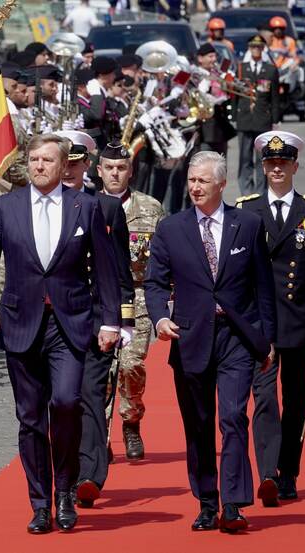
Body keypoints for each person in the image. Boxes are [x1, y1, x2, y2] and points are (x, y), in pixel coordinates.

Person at [0, 134, 120, 534]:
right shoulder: (5, 207)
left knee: (68, 402)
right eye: (33, 159)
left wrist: (111, 322)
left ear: (62, 165)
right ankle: (40, 503)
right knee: (30, 417)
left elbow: (106, 269)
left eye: (47, 160)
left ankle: (66, 490)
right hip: (21, 324)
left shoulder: (85, 207)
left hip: (70, 323)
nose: (39, 166)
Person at [144, 151, 276, 533]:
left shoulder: (247, 225)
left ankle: (233, 503)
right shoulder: (171, 229)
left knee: (233, 417)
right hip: (190, 338)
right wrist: (160, 317)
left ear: (221, 184)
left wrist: (266, 340)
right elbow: (155, 283)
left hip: (236, 336)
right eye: (191, 181)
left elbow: (263, 287)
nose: (195, 187)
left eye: (203, 181)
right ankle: (206, 501)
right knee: (198, 425)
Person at [237, 131, 305, 504]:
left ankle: (288, 471)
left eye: (283, 163)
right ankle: (267, 473)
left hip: (298, 320)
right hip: (261, 322)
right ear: (263, 167)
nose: (276, 168)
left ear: (295, 166)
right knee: (264, 399)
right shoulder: (247, 210)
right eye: (270, 163)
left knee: (295, 400)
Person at [56, 134, 135, 508]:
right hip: (53, 322)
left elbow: (119, 270)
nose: (69, 171)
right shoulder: (40, 208)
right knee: (59, 400)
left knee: (89, 395)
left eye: (75, 164)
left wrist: (124, 321)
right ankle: (62, 474)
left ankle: (88, 474)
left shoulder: (105, 208)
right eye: (64, 164)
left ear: (86, 166)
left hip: (94, 319)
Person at [98, 142, 165, 461]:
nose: (115, 173)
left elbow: (165, 257)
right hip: (97, 299)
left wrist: (168, 296)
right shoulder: (85, 206)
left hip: (137, 298)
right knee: (101, 372)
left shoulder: (150, 207)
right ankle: (100, 432)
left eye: (121, 168)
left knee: (130, 365)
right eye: (109, 168)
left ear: (131, 171)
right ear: (98, 171)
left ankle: (131, 420)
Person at [235, 35, 279, 196]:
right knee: (245, 158)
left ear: (263, 49)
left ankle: (260, 193)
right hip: (245, 119)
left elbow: (275, 98)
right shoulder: (241, 68)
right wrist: (233, 117)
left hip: (263, 120)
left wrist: (275, 120)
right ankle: (246, 192)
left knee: (262, 160)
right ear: (249, 48)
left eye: (259, 47)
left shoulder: (270, 70)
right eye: (253, 47)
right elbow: (235, 97)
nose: (256, 49)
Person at [196, 43, 236, 156]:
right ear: (200, 58)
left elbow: (230, 94)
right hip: (204, 129)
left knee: (221, 165)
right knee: (205, 163)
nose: (214, 60)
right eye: (210, 57)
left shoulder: (218, 74)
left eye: (215, 56)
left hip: (220, 127)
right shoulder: (195, 75)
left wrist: (227, 79)